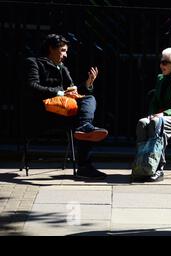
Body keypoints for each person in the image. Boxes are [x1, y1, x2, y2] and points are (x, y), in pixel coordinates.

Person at [24, 34, 108, 179]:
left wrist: (87, 84)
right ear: (51, 48)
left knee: (89, 99)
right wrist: (59, 92)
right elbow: (32, 86)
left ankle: (84, 130)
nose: (66, 55)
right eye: (63, 50)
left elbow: (72, 90)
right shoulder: (34, 62)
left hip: (65, 111)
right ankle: (84, 163)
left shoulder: (62, 67)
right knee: (83, 122)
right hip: (44, 112)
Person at [135, 47, 171, 182]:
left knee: (158, 123)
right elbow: (154, 102)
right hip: (160, 117)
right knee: (143, 122)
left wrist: (164, 114)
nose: (161, 65)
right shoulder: (161, 78)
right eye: (161, 62)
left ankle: (158, 169)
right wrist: (152, 114)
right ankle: (142, 165)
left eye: (164, 62)